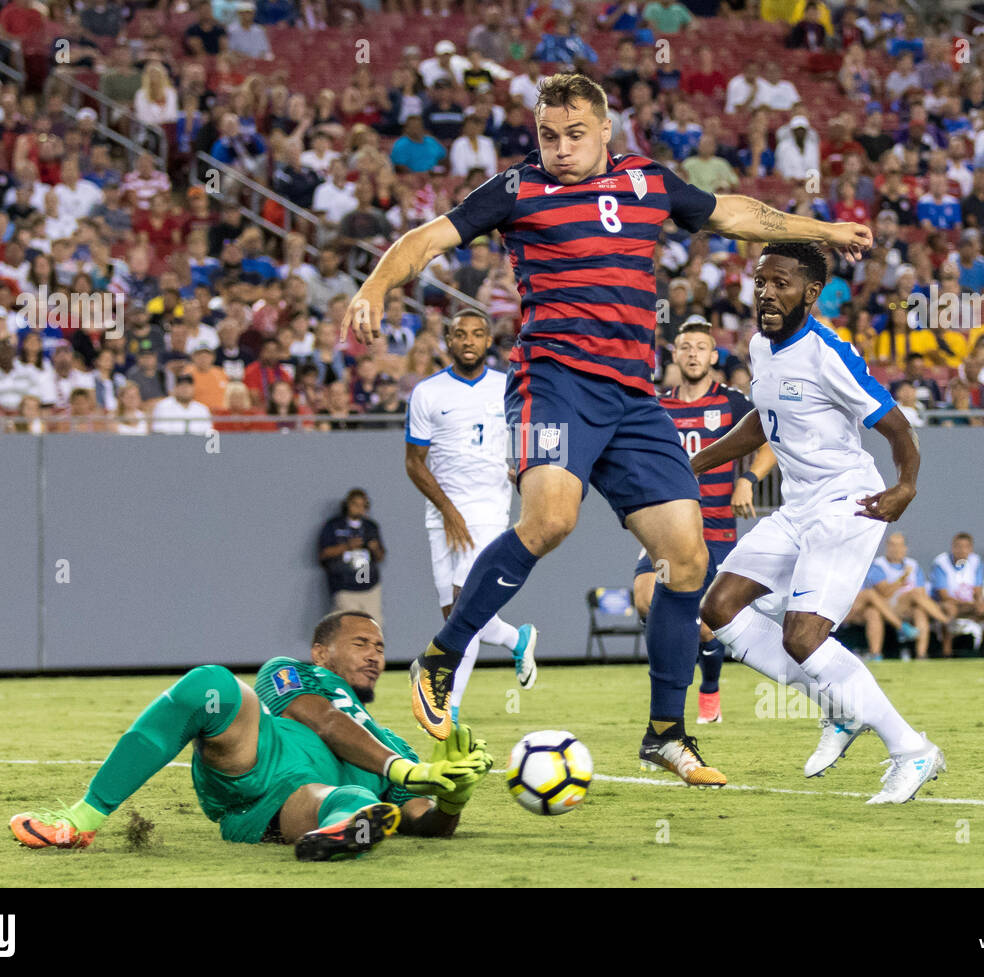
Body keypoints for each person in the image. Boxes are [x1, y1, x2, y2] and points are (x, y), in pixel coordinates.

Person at [342, 72, 870, 785]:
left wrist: (824, 231)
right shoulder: (518, 191)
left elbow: (734, 214)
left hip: (632, 397)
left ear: (606, 130)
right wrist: (376, 284)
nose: (559, 149)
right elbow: (429, 238)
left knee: (687, 560)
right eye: (548, 136)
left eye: (574, 134)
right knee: (552, 518)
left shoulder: (649, 183)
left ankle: (665, 733)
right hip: (552, 383)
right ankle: (441, 657)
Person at [693, 241, 945, 804]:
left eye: (780, 283)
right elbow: (766, 418)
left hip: (848, 502)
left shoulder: (829, 353)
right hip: (797, 504)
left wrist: (905, 486)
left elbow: (899, 428)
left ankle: (912, 750)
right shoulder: (760, 346)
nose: (766, 293)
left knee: (803, 635)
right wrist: (700, 462)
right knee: (717, 610)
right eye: (760, 282)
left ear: (810, 293)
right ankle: (839, 707)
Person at [10, 611, 492, 860]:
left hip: (292, 804)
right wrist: (399, 767)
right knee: (210, 685)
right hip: (258, 755)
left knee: (347, 798)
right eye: (360, 644)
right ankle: (81, 818)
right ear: (320, 653)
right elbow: (322, 719)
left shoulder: (396, 744)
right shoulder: (292, 673)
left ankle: (341, 830)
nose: (374, 656)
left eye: (381, 648)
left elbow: (419, 822)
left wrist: (451, 800)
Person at [632, 315, 776, 724]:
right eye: (686, 348)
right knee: (645, 598)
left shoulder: (731, 401)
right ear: (674, 356)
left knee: (708, 624)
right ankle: (670, 686)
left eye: (701, 348)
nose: (693, 354)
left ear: (713, 356)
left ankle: (709, 686)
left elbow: (770, 438)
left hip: (716, 531)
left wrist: (748, 478)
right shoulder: (657, 405)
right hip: (667, 530)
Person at [405, 310, 539, 718]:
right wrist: (447, 511)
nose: (468, 341)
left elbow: (532, 439)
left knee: (464, 608)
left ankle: (447, 709)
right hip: (441, 514)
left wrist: (524, 465)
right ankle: (517, 639)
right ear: (447, 339)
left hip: (487, 510)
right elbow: (413, 463)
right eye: (460, 334)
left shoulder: (507, 387)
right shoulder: (427, 393)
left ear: (487, 342)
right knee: (455, 615)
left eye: (477, 334)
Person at [864, 532, 951, 660]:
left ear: (905, 548)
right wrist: (902, 579)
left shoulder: (913, 565)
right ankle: (947, 621)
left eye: (899, 546)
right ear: (887, 547)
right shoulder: (879, 565)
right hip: (887, 606)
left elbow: (921, 593)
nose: (896, 549)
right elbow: (884, 592)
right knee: (913, 595)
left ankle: (921, 655)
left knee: (919, 610)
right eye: (892, 545)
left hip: (908, 606)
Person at [929, 532, 984, 658]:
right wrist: (966, 604)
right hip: (950, 604)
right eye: (958, 546)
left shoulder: (976, 561)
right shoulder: (941, 563)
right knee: (948, 609)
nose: (961, 550)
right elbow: (943, 595)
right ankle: (946, 653)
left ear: (971, 549)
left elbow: (978, 589)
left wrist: (979, 602)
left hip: (969, 605)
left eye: (965, 547)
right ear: (952, 547)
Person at [317, 489, 386, 622]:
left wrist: (375, 548)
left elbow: (380, 557)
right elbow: (324, 554)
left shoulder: (370, 527)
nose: (358, 509)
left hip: (369, 586)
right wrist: (347, 546)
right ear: (347, 504)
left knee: (374, 626)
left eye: (362, 505)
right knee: (348, 627)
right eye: (355, 504)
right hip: (344, 586)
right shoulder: (334, 526)